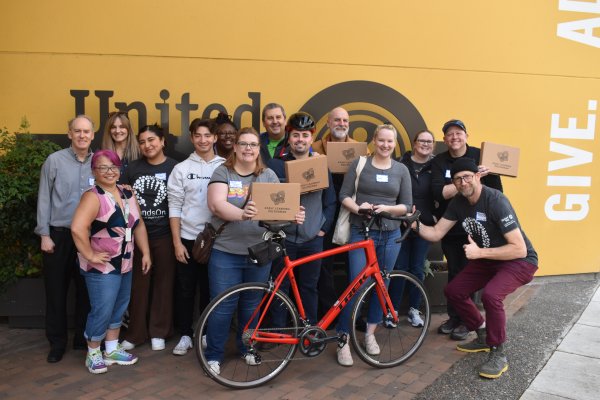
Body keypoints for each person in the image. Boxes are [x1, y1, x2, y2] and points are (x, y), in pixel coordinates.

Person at [414, 157, 537, 379]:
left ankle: (498, 352)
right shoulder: (458, 203)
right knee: (454, 291)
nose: (463, 183)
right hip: (490, 259)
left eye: (467, 177)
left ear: (478, 176)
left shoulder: (495, 201)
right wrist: (412, 222)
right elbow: (436, 233)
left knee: (491, 296)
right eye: (458, 179)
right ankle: (481, 333)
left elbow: (519, 249)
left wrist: (479, 253)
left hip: (519, 261)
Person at [203, 127, 305, 375]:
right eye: (243, 144)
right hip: (226, 252)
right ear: (235, 147)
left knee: (251, 306)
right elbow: (216, 205)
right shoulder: (222, 172)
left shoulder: (268, 175)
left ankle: (246, 347)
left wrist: (294, 216)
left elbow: (276, 212)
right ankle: (213, 355)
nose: (248, 149)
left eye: (253, 144)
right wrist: (242, 214)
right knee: (223, 306)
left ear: (259, 149)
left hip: (259, 253)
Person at [336, 124, 412, 367]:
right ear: (374, 140)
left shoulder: (401, 170)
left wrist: (386, 209)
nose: (386, 145)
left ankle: (369, 334)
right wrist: (359, 208)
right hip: (361, 232)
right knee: (356, 286)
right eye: (382, 140)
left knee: (382, 285)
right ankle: (343, 339)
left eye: (390, 141)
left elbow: (406, 206)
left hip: (390, 235)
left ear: (394, 143)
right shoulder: (360, 164)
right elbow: (344, 195)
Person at [70, 149, 151, 374]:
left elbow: (139, 224)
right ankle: (93, 352)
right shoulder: (93, 196)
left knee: (119, 306)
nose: (109, 171)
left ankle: (112, 350)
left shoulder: (126, 193)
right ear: (94, 171)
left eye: (113, 167)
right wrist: (90, 255)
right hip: (102, 265)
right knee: (102, 309)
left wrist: (145, 253)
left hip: (125, 261)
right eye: (103, 167)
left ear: (120, 169)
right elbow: (77, 228)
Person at [430, 119, 503, 341]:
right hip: (451, 227)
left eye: (459, 133)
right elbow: (438, 194)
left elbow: (497, 191)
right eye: (450, 134)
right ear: (444, 139)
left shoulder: (481, 157)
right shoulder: (439, 161)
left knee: (472, 274)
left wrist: (479, 177)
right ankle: (455, 316)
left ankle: (467, 321)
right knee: (454, 273)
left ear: (466, 136)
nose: (455, 137)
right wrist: (469, 179)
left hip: (477, 227)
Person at [35, 115, 95, 363]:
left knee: (87, 291)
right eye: (77, 131)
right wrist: (44, 234)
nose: (82, 135)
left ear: (92, 135)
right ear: (69, 133)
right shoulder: (54, 161)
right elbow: (44, 198)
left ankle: (82, 339)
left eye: (86, 131)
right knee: (56, 292)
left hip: (90, 238)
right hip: (58, 237)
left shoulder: (100, 162)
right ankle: (57, 344)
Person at [270, 112, 336, 326]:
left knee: (309, 286)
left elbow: (330, 201)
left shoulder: (320, 164)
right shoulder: (275, 165)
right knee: (280, 287)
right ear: (289, 137)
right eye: (296, 135)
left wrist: (322, 229)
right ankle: (278, 331)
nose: (300, 140)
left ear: (311, 138)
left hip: (312, 238)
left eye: (305, 135)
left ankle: (310, 330)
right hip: (284, 236)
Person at [167, 118, 225, 356]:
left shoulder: (225, 167)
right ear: (191, 138)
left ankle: (204, 332)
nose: (203, 140)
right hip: (189, 238)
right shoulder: (181, 169)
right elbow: (174, 207)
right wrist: (177, 242)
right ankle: (185, 334)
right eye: (198, 135)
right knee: (185, 289)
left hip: (218, 240)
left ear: (215, 138)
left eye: (207, 135)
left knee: (211, 289)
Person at [120, 125, 178, 351]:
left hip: (165, 234)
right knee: (138, 286)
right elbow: (124, 202)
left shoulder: (175, 167)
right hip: (136, 236)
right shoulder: (132, 169)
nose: (147, 145)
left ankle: (159, 331)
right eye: (142, 142)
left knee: (164, 285)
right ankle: (135, 334)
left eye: (152, 140)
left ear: (162, 141)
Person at [311, 107, 358, 317]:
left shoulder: (359, 149)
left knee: (354, 264)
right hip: (325, 212)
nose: (341, 124)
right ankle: (329, 313)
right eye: (337, 120)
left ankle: (354, 311)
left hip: (352, 212)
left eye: (345, 120)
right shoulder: (314, 148)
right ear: (328, 123)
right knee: (324, 264)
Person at [389, 130, 436, 328]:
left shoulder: (436, 166)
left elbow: (441, 193)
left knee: (417, 268)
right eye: (422, 140)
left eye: (429, 141)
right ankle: (393, 312)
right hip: (400, 223)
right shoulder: (400, 164)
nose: (425, 144)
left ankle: (414, 310)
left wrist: (435, 216)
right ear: (414, 143)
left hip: (423, 225)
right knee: (399, 268)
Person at [259, 103, 287, 173]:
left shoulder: (296, 141)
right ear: (263, 123)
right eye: (270, 118)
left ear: (285, 120)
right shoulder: (255, 142)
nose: (274, 121)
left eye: (278, 117)